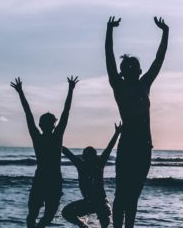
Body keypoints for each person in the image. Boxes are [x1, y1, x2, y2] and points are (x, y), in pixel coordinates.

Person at [104, 16, 169, 228]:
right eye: (128, 67)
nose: (132, 68)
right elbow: (109, 58)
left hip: (144, 147)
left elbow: (159, 60)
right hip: (128, 146)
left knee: (133, 196)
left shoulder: (144, 85)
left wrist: (165, 32)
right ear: (123, 73)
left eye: (135, 66)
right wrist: (109, 30)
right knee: (122, 193)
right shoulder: (119, 87)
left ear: (140, 71)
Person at [11, 76, 78, 228]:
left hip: (45, 178)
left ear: (42, 125)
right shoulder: (53, 136)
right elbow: (66, 112)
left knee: (35, 216)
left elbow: (28, 114)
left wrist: (20, 92)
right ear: (50, 125)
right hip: (50, 178)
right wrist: (70, 90)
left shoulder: (41, 137)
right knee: (42, 215)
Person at [61, 122, 123, 228]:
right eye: (87, 157)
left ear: (94, 157)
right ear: (84, 157)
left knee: (105, 220)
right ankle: (83, 225)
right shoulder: (82, 165)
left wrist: (117, 133)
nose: (89, 159)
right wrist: (55, 139)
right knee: (66, 213)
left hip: (101, 201)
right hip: (89, 202)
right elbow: (67, 152)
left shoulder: (97, 164)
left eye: (91, 157)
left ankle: (89, 225)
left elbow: (109, 148)